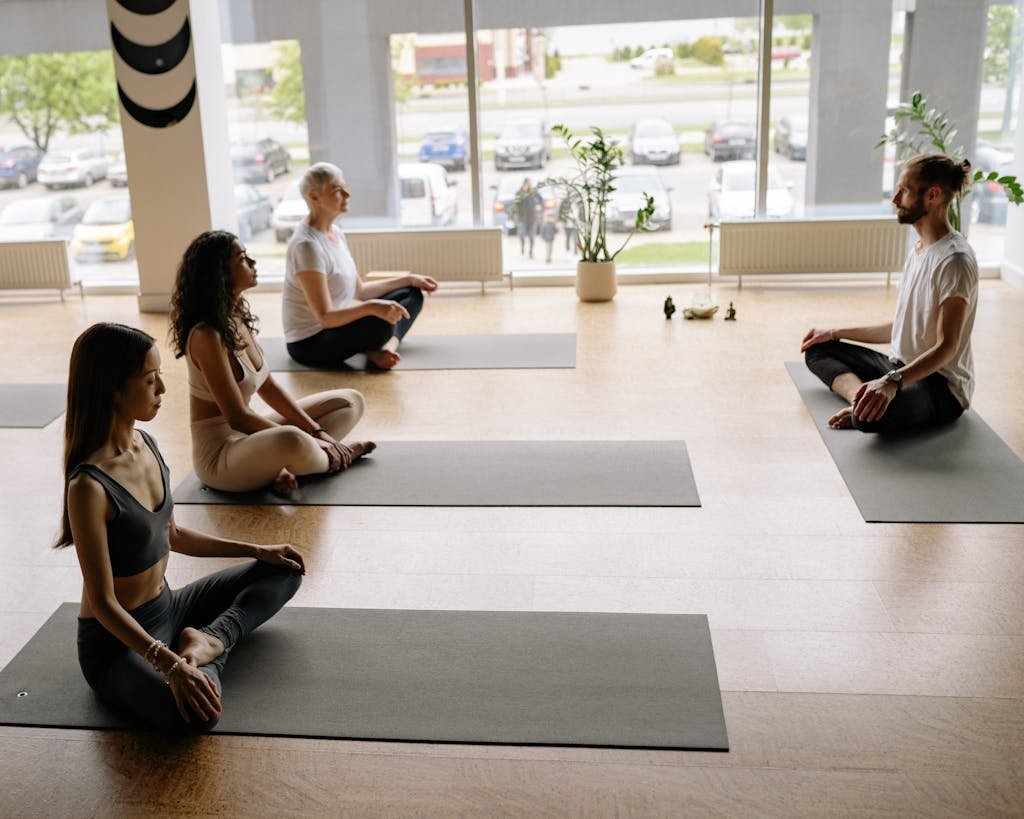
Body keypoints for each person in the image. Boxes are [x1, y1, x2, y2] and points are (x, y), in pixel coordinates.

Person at [58, 322, 304, 732]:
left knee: (285, 570)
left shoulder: (148, 445)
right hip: (118, 643)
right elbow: (102, 603)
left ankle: (211, 641)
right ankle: (206, 653)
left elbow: (174, 536)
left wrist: (258, 550)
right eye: (150, 380)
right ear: (113, 390)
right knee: (195, 714)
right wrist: (169, 664)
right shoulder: (88, 487)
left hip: (170, 607)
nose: (163, 390)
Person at [169, 230, 374, 495]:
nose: (253, 263)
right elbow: (238, 418)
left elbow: (269, 387)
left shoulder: (234, 316)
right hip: (221, 456)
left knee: (350, 400)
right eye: (243, 258)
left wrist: (317, 431)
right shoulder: (205, 335)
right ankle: (334, 457)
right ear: (219, 272)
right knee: (292, 438)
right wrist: (308, 438)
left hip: (249, 440)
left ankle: (290, 464)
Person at [801, 153, 978, 432]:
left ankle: (863, 407)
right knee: (817, 349)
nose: (895, 199)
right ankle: (860, 399)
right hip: (898, 368)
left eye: (904, 191)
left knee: (865, 420)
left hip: (939, 387)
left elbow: (947, 347)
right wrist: (834, 332)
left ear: (932, 195)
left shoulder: (954, 260)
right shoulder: (919, 250)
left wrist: (891, 382)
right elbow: (900, 327)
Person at [283, 162, 438, 370]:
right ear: (314, 197)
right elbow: (326, 318)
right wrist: (373, 308)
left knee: (411, 294)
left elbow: (361, 291)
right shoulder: (306, 246)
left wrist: (410, 279)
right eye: (338, 190)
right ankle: (380, 345)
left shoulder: (335, 233)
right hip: (311, 343)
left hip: (334, 328)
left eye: (344, 187)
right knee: (381, 323)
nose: (347, 194)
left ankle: (387, 348)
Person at [512, 178, 543, 258]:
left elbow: (541, 200)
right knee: (521, 235)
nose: (529, 185)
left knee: (532, 237)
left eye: (530, 184)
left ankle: (531, 252)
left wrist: (539, 206)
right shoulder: (519, 193)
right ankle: (522, 246)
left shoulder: (534, 192)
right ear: (524, 184)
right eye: (528, 184)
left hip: (533, 218)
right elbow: (516, 204)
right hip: (522, 219)